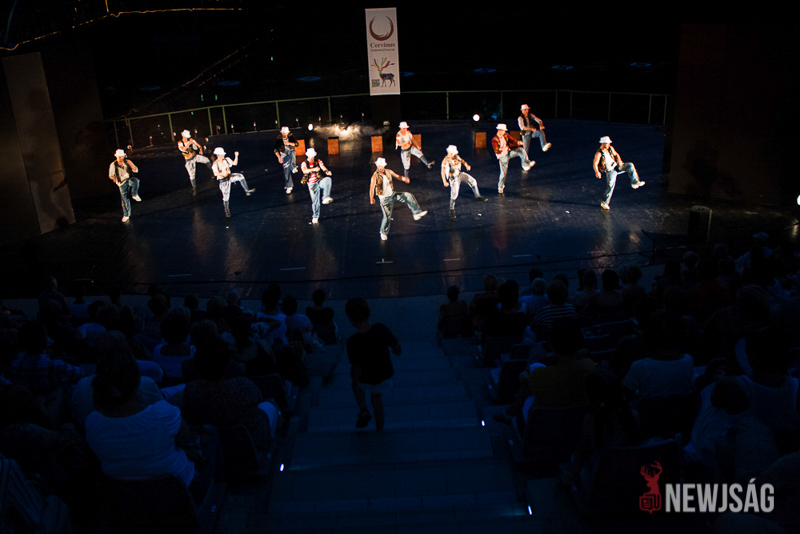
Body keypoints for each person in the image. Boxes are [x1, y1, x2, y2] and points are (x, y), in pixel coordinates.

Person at [345, 297, 400, 431]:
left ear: (351, 320)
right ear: (368, 312)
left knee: (355, 383)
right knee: (377, 401)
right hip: (382, 374)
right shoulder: (380, 329)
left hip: (364, 376)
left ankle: (363, 408)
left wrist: (356, 377)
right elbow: (396, 347)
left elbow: (356, 366)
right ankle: (380, 429)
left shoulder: (352, 341)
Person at [369, 157, 427, 241]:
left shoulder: (388, 171)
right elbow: (371, 188)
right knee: (387, 217)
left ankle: (416, 213)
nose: (380, 167)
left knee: (408, 195)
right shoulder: (375, 176)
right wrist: (371, 198)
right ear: (377, 165)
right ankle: (383, 232)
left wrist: (404, 179)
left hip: (392, 195)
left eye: (382, 166)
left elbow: (398, 176)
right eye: (379, 166)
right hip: (385, 200)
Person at [592, 136, 645, 210]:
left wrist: (619, 161)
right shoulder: (599, 153)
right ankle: (604, 202)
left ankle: (634, 182)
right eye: (607, 143)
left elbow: (616, 155)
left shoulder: (610, 148)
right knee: (610, 187)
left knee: (630, 165)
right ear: (603, 143)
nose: (608, 144)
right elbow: (595, 163)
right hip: (610, 171)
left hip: (617, 166)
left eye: (609, 143)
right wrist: (597, 172)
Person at [440, 145, 487, 220]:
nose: (453, 154)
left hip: (460, 174)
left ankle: (477, 196)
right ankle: (451, 210)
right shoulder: (445, 161)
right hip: (453, 178)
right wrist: (444, 181)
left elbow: (463, 161)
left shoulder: (456, 157)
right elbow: (442, 172)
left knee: (473, 181)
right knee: (454, 194)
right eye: (452, 153)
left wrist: (467, 165)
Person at [211, 147, 255, 218]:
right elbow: (215, 173)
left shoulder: (226, 160)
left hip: (229, 177)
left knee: (240, 176)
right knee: (226, 197)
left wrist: (236, 156)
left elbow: (235, 163)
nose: (223, 155)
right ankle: (226, 210)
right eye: (222, 154)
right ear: (218, 155)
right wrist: (222, 173)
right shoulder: (215, 164)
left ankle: (247, 190)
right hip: (223, 181)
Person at [491, 124, 534, 194]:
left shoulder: (505, 135)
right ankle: (500, 187)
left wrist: (517, 142)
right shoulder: (494, 139)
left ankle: (526, 163)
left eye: (504, 131)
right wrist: (503, 148)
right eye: (503, 131)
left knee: (520, 150)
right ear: (499, 130)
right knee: (503, 173)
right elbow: (496, 150)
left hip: (509, 153)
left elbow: (512, 141)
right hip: (502, 157)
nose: (504, 132)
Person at [300, 148, 332, 224]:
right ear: (308, 156)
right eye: (311, 156)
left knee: (328, 179)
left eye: (313, 156)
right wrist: (314, 169)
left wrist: (327, 171)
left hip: (319, 181)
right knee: (315, 202)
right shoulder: (304, 163)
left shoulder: (318, 161)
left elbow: (323, 167)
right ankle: (315, 216)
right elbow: (304, 170)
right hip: (312, 185)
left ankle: (325, 197)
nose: (312, 157)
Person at [108, 149, 141, 223]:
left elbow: (136, 170)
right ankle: (126, 215)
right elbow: (110, 175)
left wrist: (131, 165)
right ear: (117, 157)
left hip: (128, 179)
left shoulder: (127, 162)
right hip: (121, 183)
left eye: (122, 156)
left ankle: (134, 194)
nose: (121, 158)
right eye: (119, 157)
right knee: (125, 199)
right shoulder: (113, 165)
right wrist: (113, 178)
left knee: (136, 181)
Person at [177, 130, 211, 196]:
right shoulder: (180, 143)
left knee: (206, 160)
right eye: (185, 137)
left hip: (195, 156)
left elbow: (199, 146)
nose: (186, 138)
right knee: (192, 175)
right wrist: (189, 144)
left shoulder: (191, 140)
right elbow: (183, 149)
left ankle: (212, 171)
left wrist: (200, 150)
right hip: (188, 160)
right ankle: (194, 188)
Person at [274, 126, 299, 194]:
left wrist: (288, 143)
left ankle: (293, 167)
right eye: (283, 133)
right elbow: (275, 150)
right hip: (284, 155)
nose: (284, 134)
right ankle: (289, 186)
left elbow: (296, 144)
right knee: (286, 171)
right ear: (281, 133)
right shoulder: (279, 140)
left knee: (292, 152)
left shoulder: (291, 137)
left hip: (290, 154)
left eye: (285, 133)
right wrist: (279, 157)